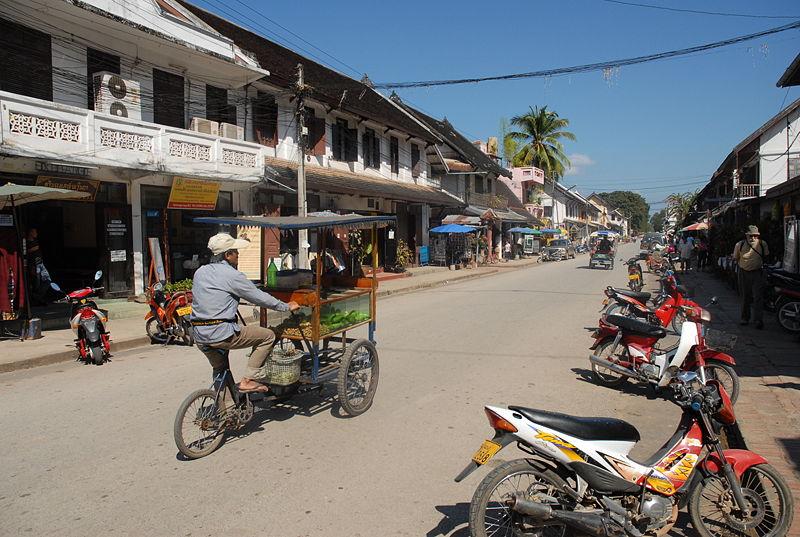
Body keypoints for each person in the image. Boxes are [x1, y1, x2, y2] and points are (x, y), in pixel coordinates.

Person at [191, 233, 300, 393]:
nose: (238, 254)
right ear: (228, 255)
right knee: (268, 336)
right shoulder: (232, 275)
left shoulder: (200, 272)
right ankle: (249, 379)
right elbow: (259, 297)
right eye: (235, 251)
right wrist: (285, 306)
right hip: (222, 333)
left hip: (200, 335)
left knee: (220, 368)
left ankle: (224, 407)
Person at [733, 225, 769, 329]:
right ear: (746, 236)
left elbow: (766, 256)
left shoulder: (763, 244)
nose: (753, 238)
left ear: (758, 236)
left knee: (758, 297)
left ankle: (758, 320)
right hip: (743, 272)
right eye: (750, 236)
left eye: (755, 236)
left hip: (758, 273)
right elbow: (736, 258)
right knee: (745, 296)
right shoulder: (739, 245)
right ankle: (745, 318)